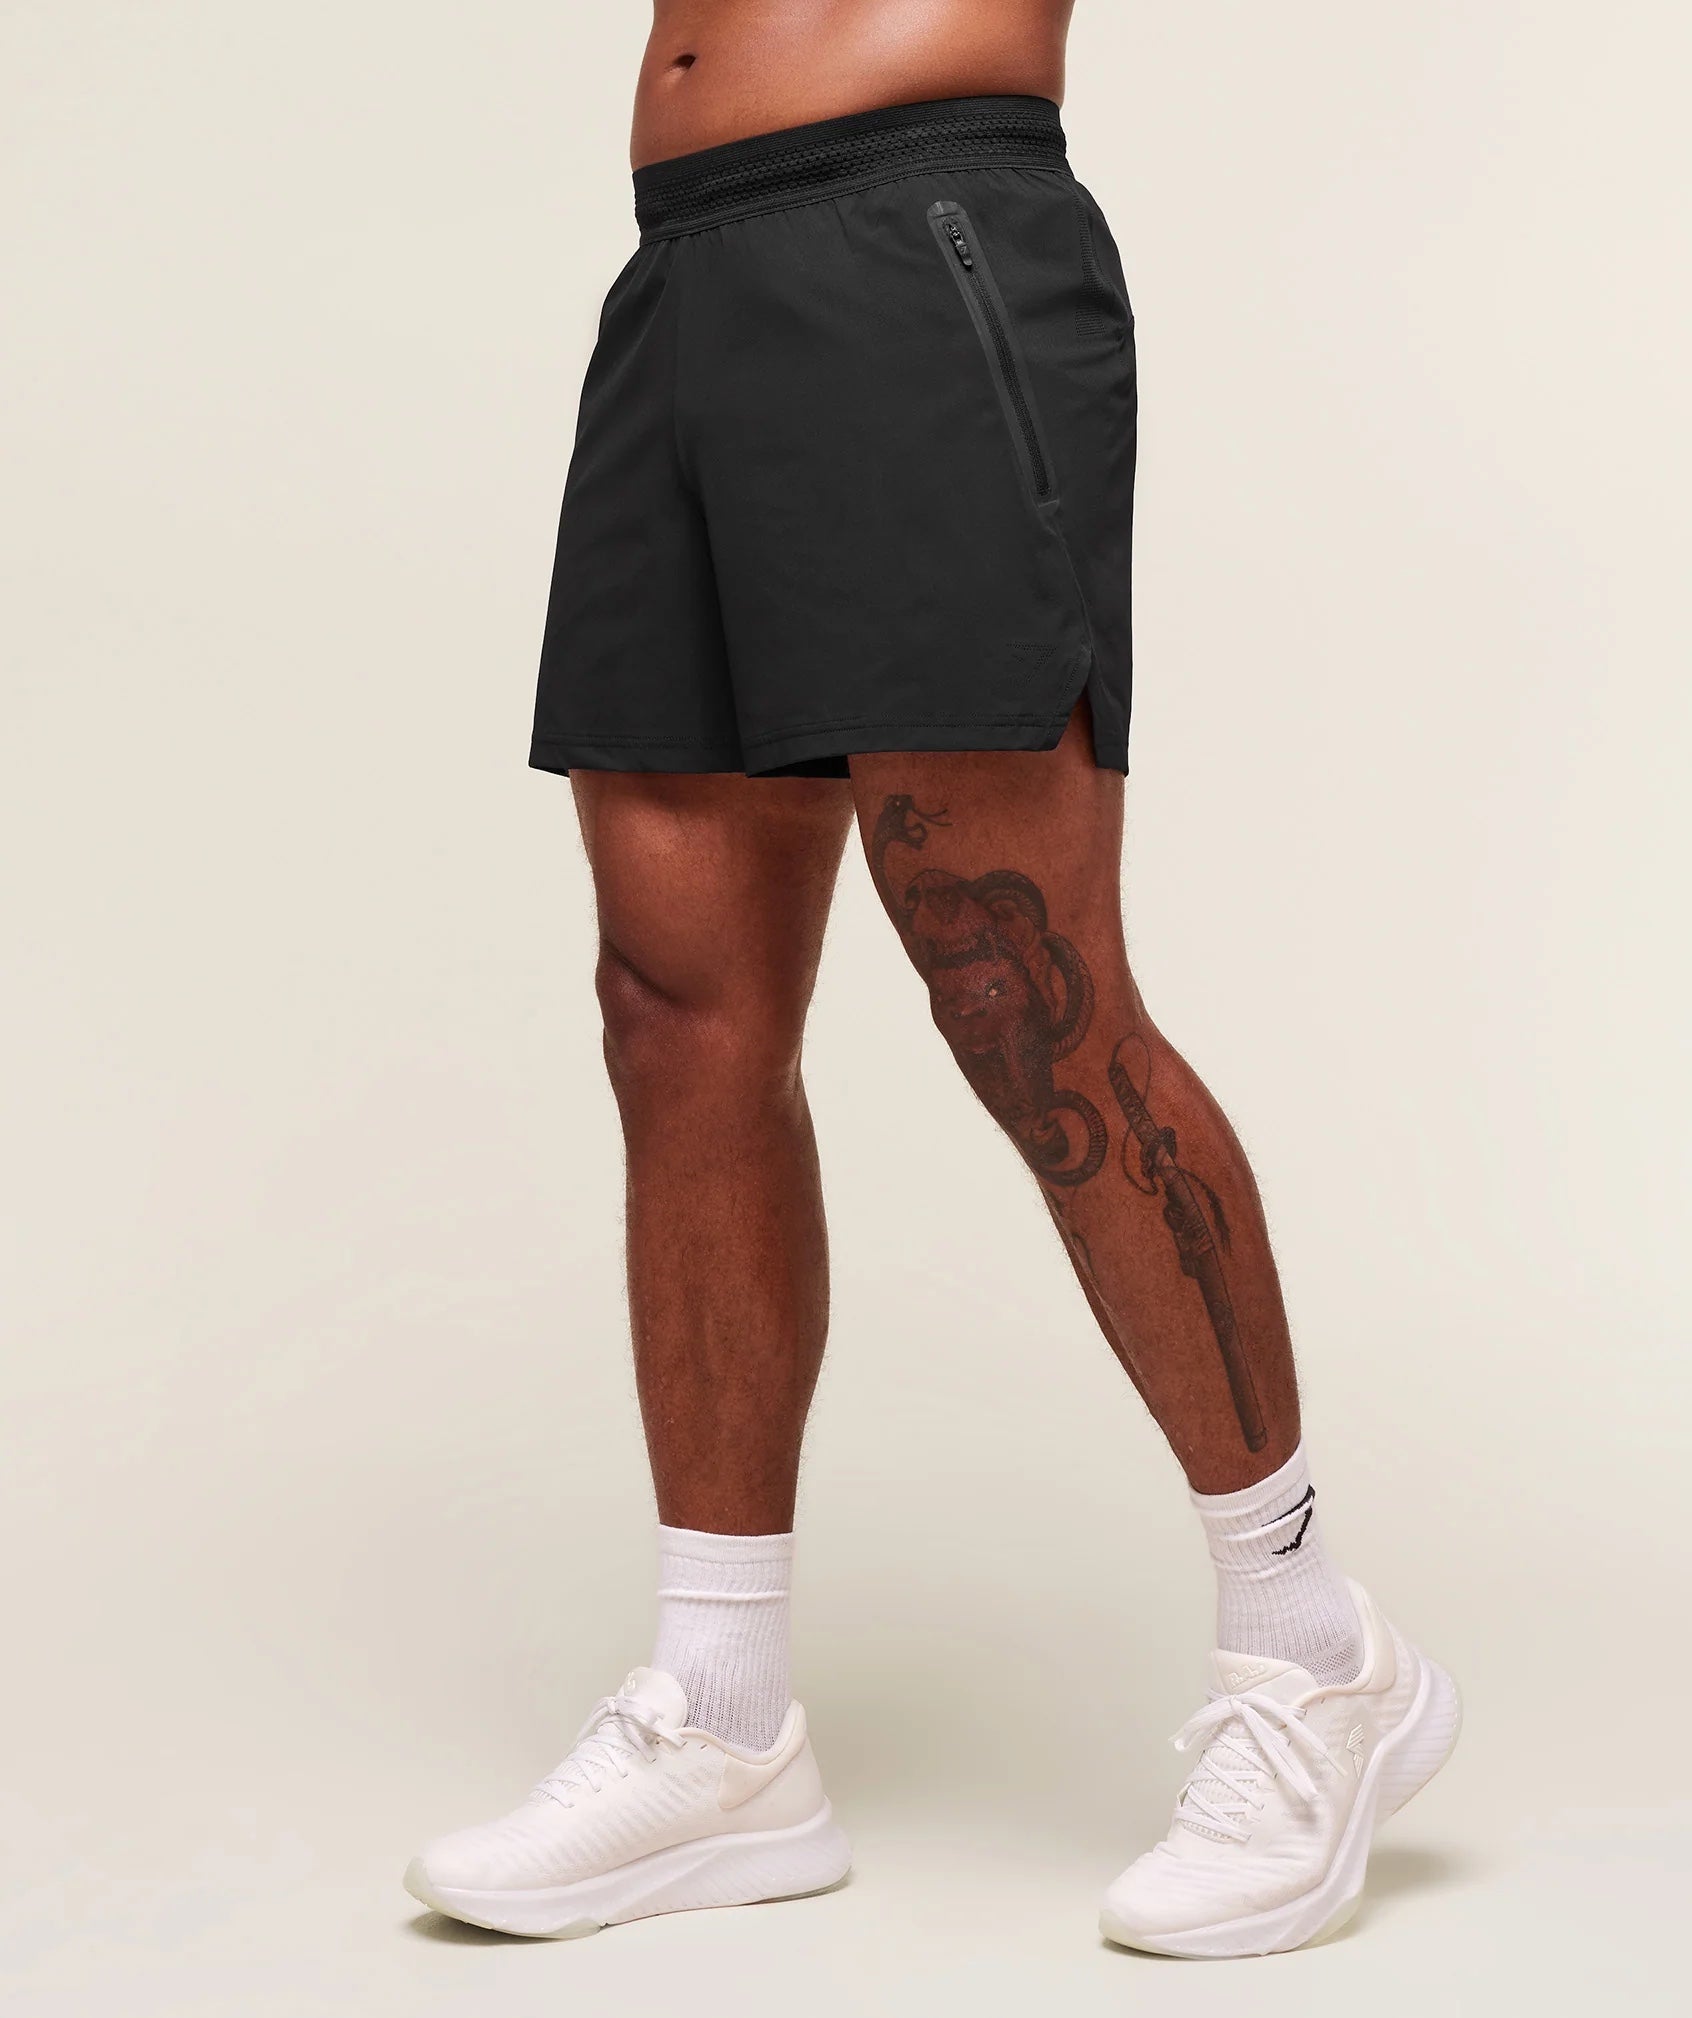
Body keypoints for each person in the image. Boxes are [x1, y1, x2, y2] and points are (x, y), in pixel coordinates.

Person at [404, 0, 1458, 1959]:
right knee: (676, 1005)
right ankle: (724, 1721)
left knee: (1020, 988)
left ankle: (1316, 1647)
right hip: (688, 273)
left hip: (921, 235)